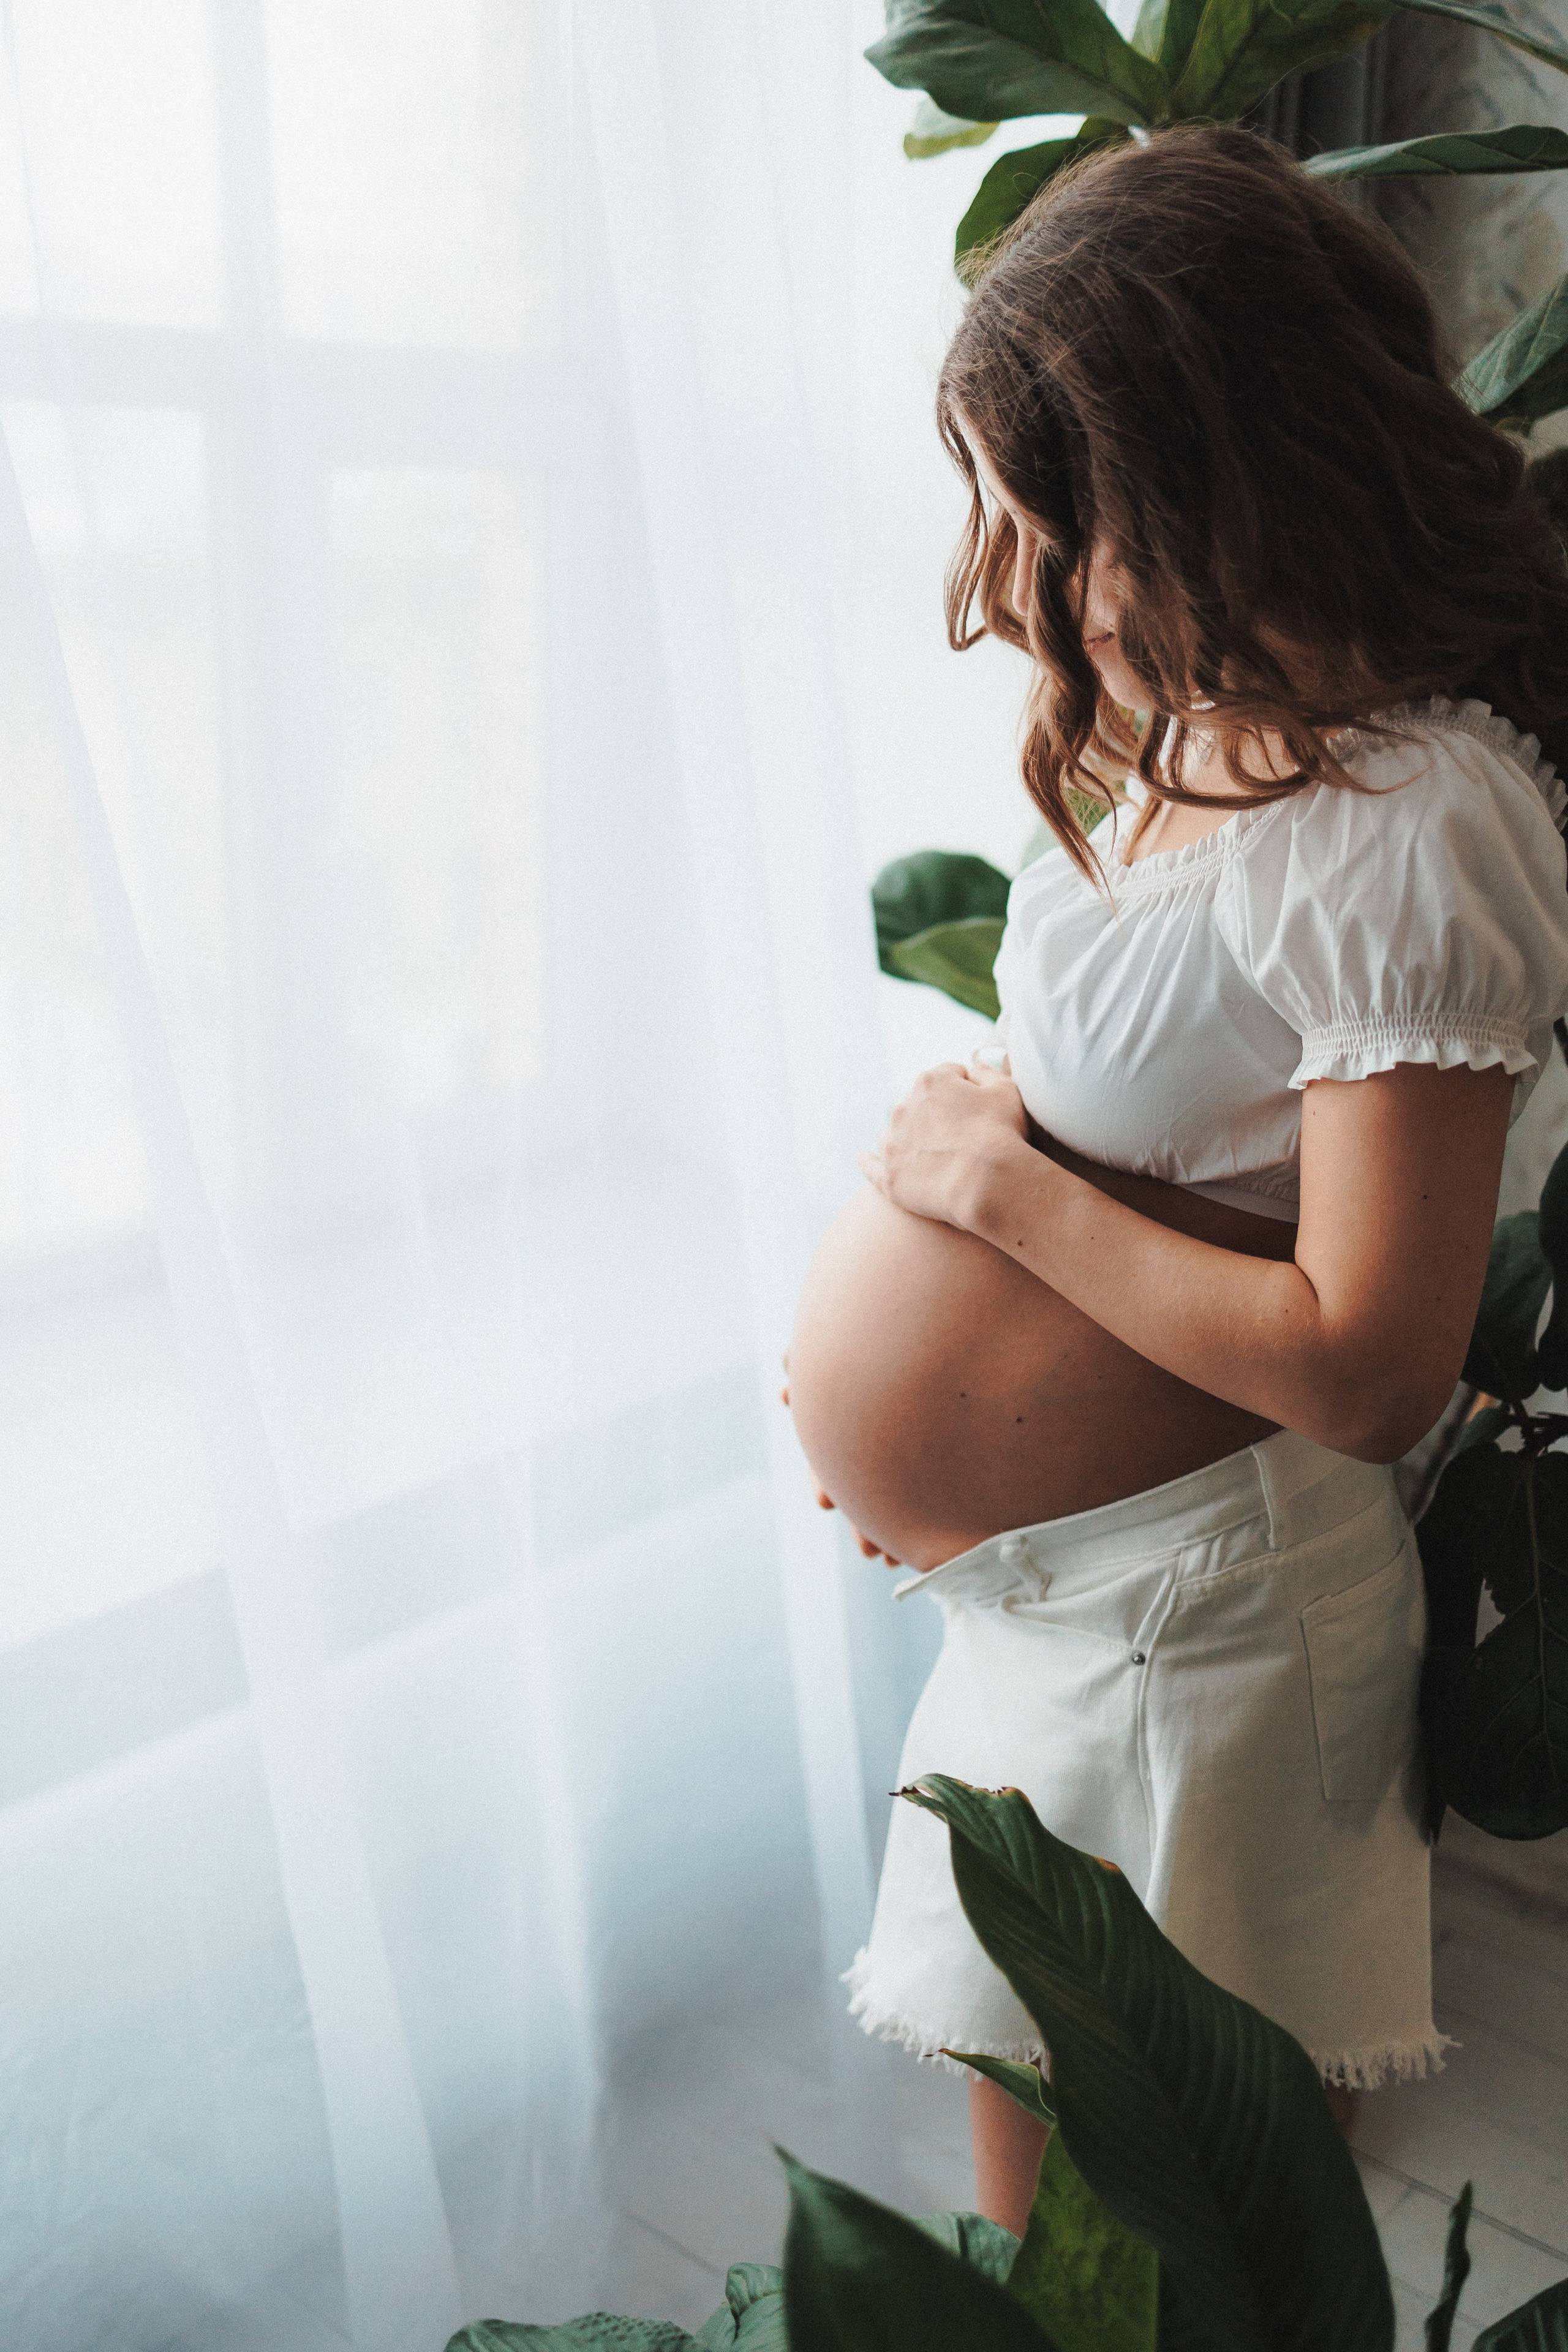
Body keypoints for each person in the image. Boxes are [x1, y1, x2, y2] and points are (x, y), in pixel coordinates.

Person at [783, 122, 1568, 2237]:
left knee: (1202, 2231)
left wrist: (998, 1203)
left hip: (1200, 1636)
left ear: (1229, 477)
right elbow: (1159, 1103)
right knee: (1045, 2209)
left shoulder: (1419, 812)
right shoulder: (1185, 713)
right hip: (1072, 1604)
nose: (1021, 573)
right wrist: (969, 1489)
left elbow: (1366, 1363)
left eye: (1061, 514)